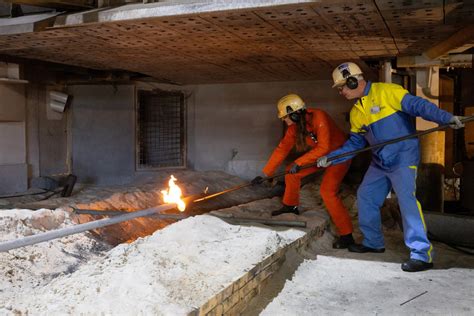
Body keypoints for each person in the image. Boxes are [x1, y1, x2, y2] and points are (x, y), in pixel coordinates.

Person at [317, 62, 465, 272]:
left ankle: (421, 254)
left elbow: (418, 106)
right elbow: (355, 144)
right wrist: (331, 158)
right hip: (380, 162)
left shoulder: (387, 92)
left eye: (342, 87)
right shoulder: (357, 112)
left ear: (353, 80)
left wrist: (446, 118)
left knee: (407, 202)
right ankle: (373, 243)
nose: (341, 91)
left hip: (403, 158)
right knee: (366, 195)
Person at [252, 93, 355, 249]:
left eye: (285, 117)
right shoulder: (295, 127)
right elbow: (282, 149)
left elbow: (324, 147)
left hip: (339, 155)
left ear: (294, 114)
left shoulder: (318, 116)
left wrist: (299, 162)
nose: (284, 121)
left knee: (327, 191)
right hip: (320, 155)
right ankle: (290, 205)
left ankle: (347, 236)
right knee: (290, 172)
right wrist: (266, 174)